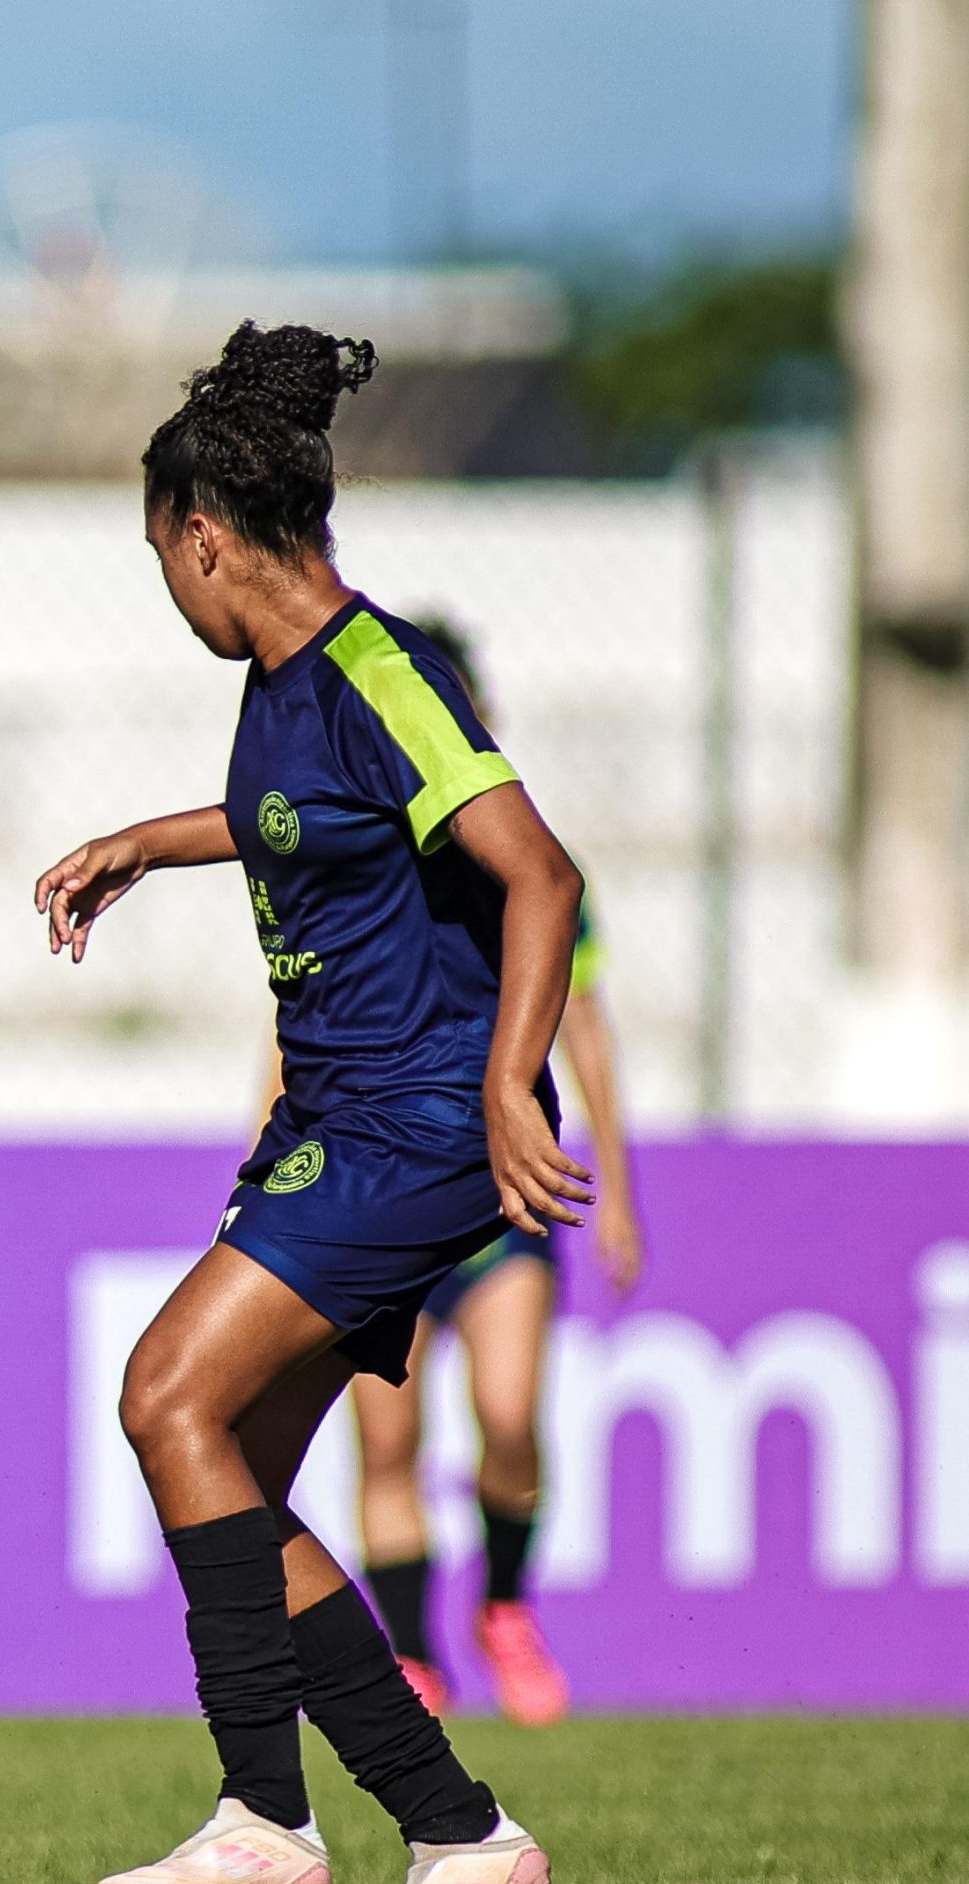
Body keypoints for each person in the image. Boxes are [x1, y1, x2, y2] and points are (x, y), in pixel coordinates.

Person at [34, 322, 581, 1884]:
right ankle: (418, 1825)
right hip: (345, 1115)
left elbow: (539, 870)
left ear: (205, 536)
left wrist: (502, 1080)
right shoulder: (285, 690)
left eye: (162, 560)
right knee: (233, 1472)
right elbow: (307, 820)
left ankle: (281, 1817)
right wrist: (154, 836)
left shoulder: (376, 669)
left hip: (414, 1120)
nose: (170, 589)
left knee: (161, 1391)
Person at [339, 620, 642, 1727]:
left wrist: (617, 1183)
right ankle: (414, 1654)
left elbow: (588, 1026)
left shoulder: (532, 868)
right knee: (388, 1437)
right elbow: (292, 1035)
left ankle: (504, 1604)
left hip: (499, 1189)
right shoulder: (359, 861)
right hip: (373, 1189)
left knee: (508, 1417)